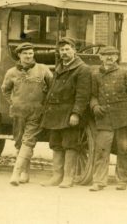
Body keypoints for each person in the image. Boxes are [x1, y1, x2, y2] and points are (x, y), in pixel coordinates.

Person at [40, 36, 92, 188]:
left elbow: (83, 95)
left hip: (70, 113)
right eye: (61, 50)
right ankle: (57, 176)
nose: (64, 52)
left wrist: (76, 113)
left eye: (67, 49)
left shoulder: (82, 69)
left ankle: (68, 178)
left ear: (74, 51)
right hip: (55, 113)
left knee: (70, 145)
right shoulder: (59, 67)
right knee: (56, 144)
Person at [1, 42, 53, 186]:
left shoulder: (42, 70)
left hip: (36, 113)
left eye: (31, 53)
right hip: (18, 113)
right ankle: (25, 173)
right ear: (19, 55)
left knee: (28, 141)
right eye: (25, 54)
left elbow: (52, 87)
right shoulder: (11, 72)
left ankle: (15, 174)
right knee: (19, 143)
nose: (29, 56)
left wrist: (44, 105)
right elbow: (5, 90)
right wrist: (13, 102)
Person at [88, 46, 127, 191]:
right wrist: (95, 106)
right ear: (101, 58)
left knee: (123, 150)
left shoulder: (124, 73)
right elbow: (92, 95)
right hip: (104, 118)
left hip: (123, 118)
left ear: (117, 57)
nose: (109, 58)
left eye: (112, 55)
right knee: (101, 149)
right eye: (106, 55)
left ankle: (122, 180)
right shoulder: (95, 74)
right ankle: (99, 181)